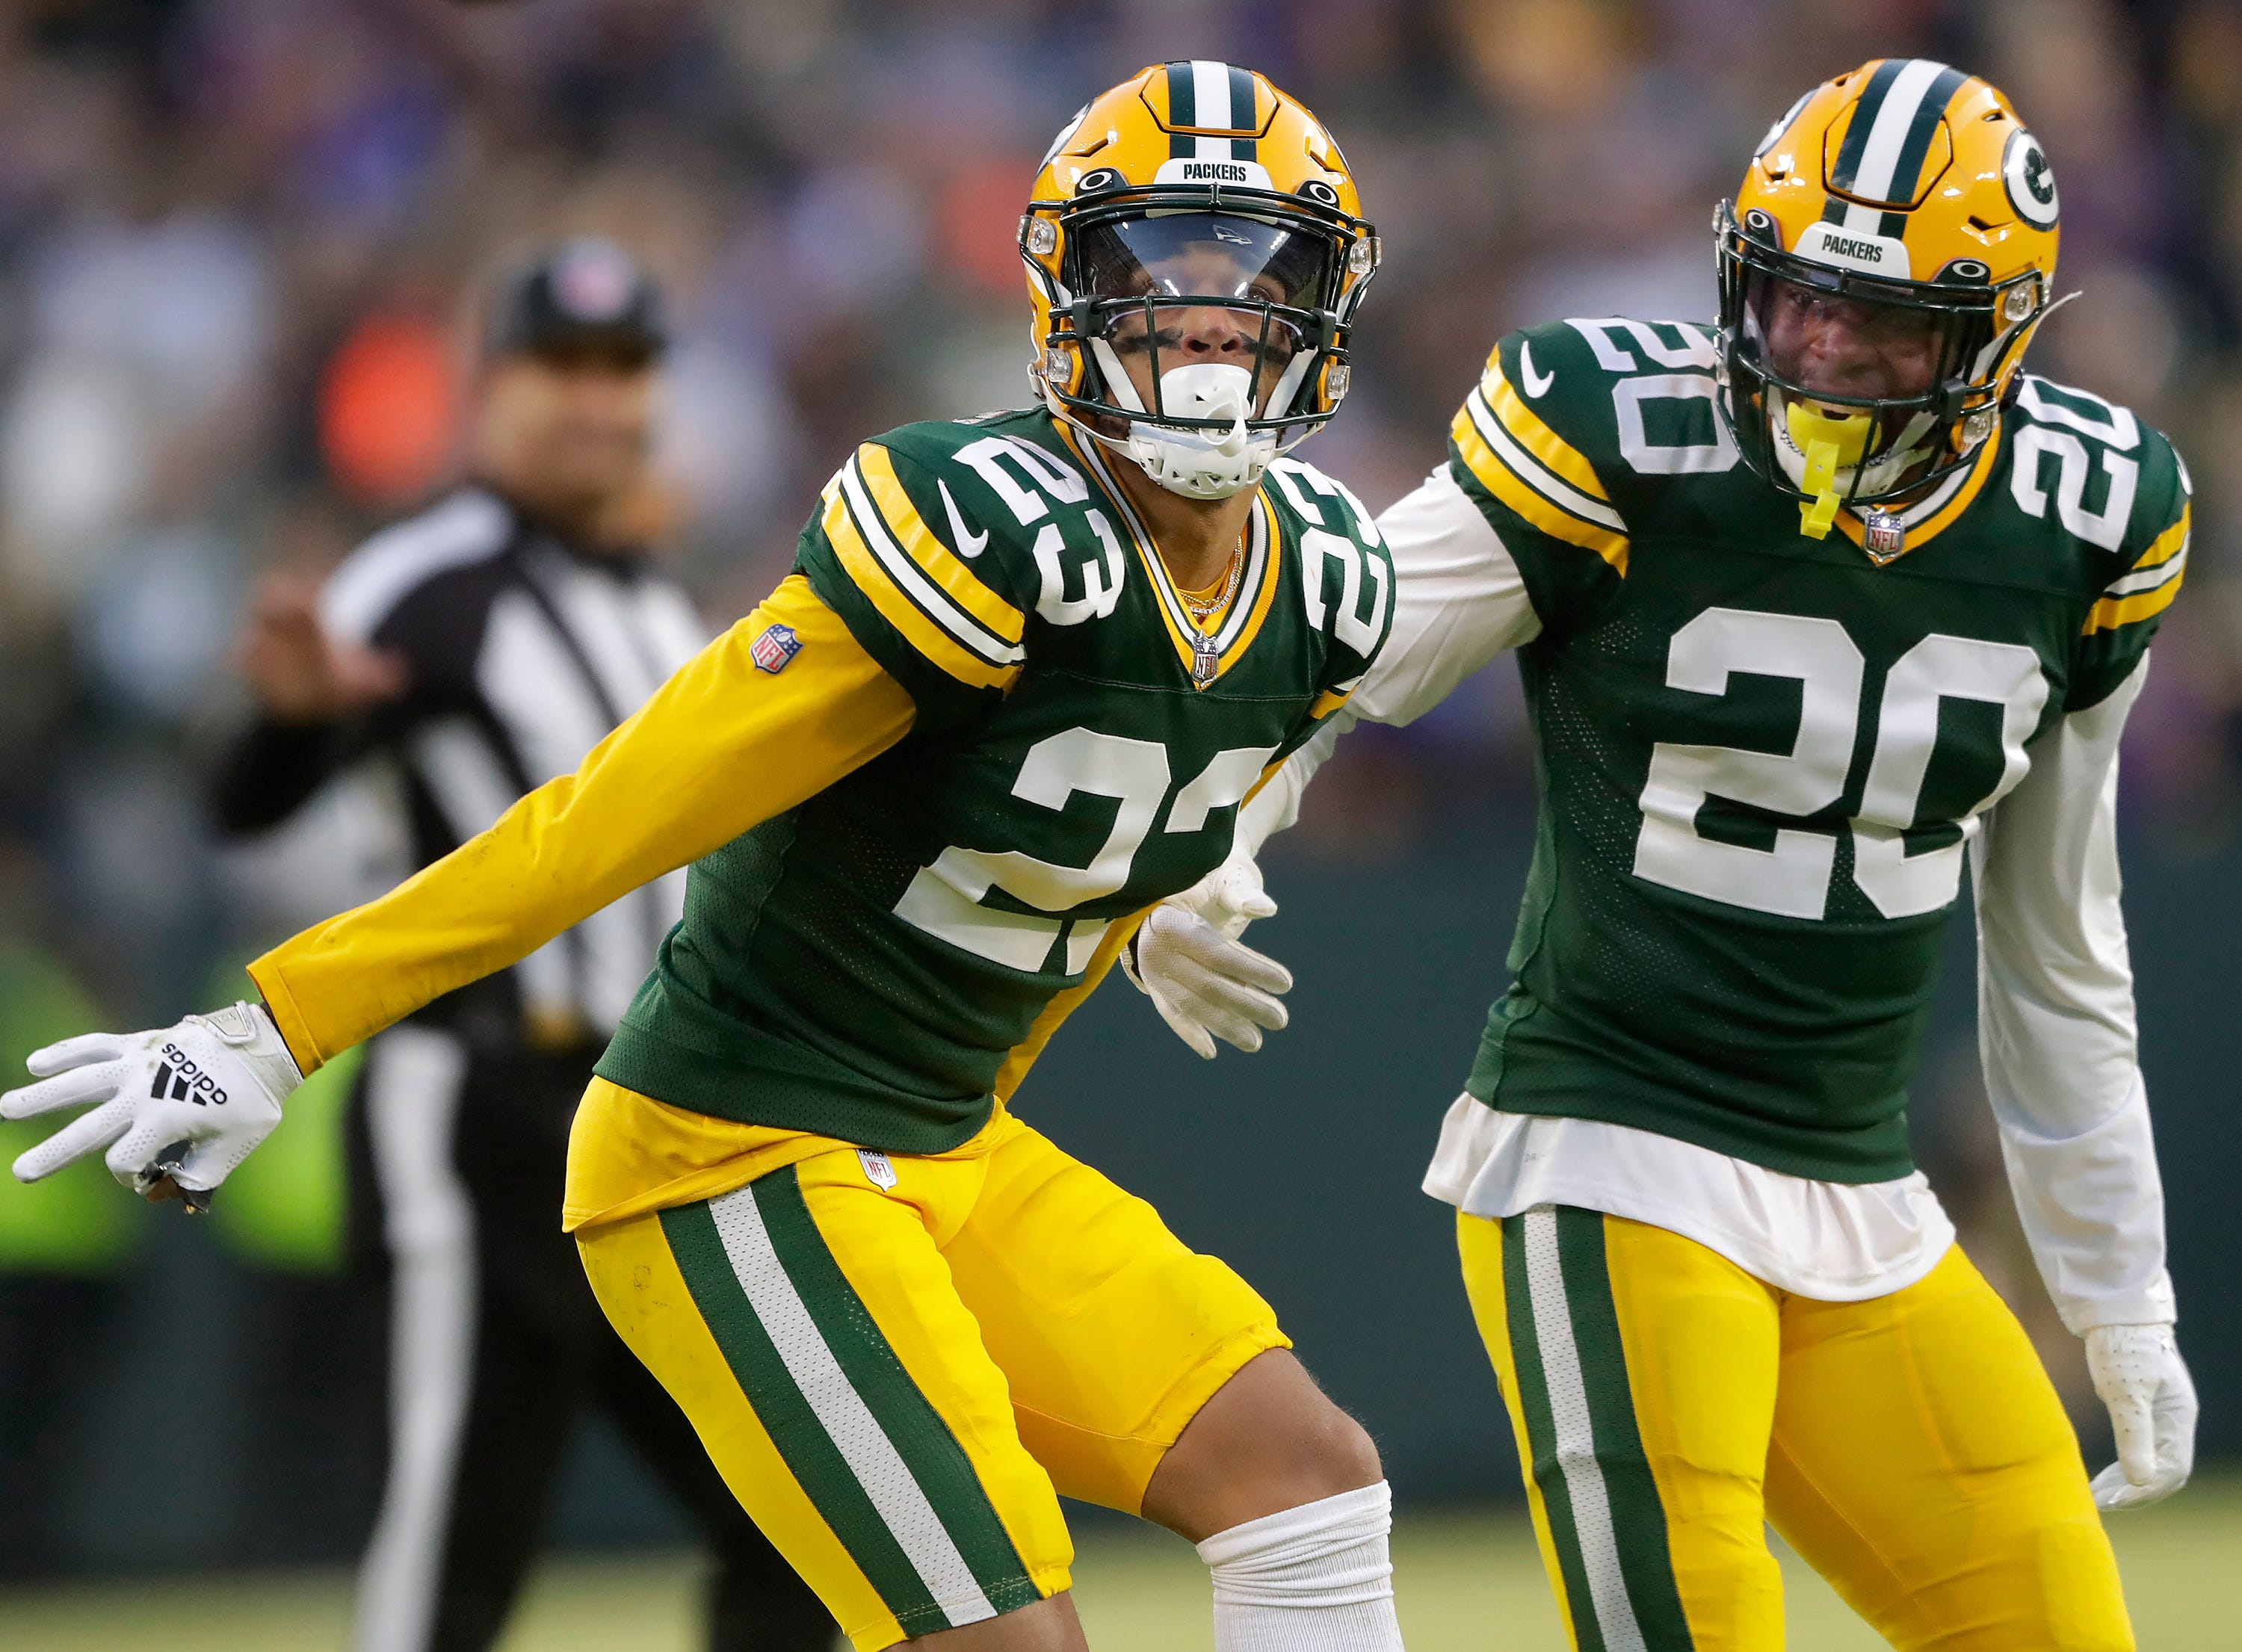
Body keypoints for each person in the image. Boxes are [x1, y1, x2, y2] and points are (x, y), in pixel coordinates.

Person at [4, 64, 1410, 1652]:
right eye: (1161, 277)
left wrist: (1168, 892)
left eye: (1257, 282)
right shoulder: (981, 519)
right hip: (731, 1153)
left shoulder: (1330, 575)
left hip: (945, 1142)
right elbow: (615, 809)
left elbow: (1189, 764)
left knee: (1309, 1478)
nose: (1213, 327)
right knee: (1010, 1637)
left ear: (1326, 307)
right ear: (1065, 293)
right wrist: (276, 1024)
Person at [1130, 58, 2196, 1651]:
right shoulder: (1619, 426)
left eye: (1879, 319)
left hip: (1865, 1190)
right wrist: (1205, 836)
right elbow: (1340, 635)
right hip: (1609, 1151)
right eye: (1793, 297)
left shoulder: (2094, 514)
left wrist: (2117, 1278)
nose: (1818, 349)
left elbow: (2058, 940)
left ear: (1996, 342)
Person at [208, 239, 838, 1652]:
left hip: (644, 1122)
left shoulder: (656, 600)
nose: (595, 404)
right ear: (489, 388)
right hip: (475, 1115)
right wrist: (296, 722)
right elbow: (249, 806)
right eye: (562, 367)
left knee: (808, 1525)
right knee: (448, 1567)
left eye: (624, 371)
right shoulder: (428, 584)